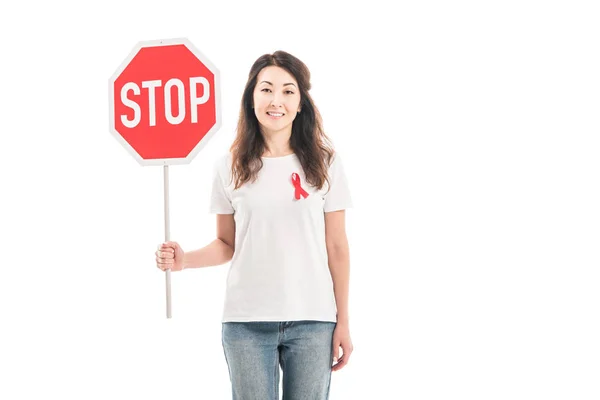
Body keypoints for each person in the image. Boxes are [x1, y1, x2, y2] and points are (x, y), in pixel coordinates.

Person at [154, 50, 354, 399]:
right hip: (246, 322)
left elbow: (336, 246)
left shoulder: (326, 164)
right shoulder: (229, 166)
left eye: (288, 91)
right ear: (251, 97)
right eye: (266, 89)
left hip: (313, 320)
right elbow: (226, 244)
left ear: (301, 103)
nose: (276, 100)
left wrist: (344, 322)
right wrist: (184, 260)